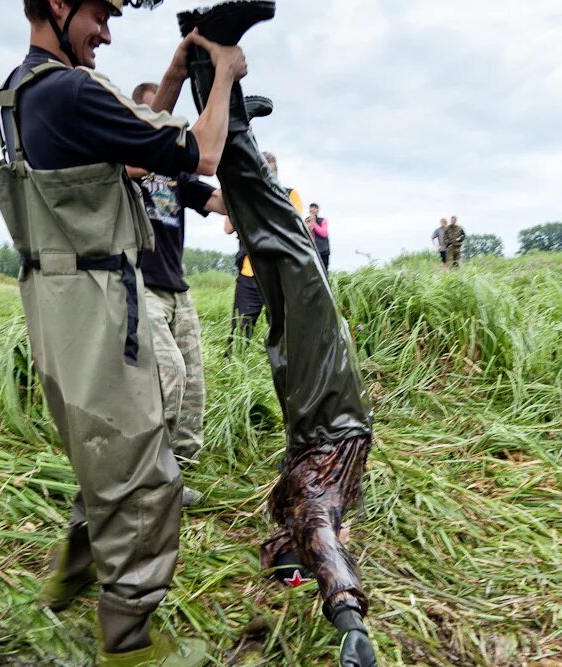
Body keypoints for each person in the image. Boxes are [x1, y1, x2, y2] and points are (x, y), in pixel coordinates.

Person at [0, 1, 246, 663]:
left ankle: (68, 580)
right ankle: (128, 639)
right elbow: (201, 152)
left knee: (100, 450)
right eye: (99, 13)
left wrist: (180, 61)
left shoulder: (18, 94)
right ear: (56, 5)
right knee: (145, 471)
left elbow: (135, 136)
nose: (107, 30)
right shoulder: (73, 90)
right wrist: (224, 74)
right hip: (100, 298)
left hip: (50, 298)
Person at [178, 3, 377, 664]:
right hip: (312, 397)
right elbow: (311, 538)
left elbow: (324, 541)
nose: (301, 539)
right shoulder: (297, 500)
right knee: (277, 245)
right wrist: (296, 567)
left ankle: (221, 83)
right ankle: (228, 109)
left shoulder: (311, 500)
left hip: (322, 403)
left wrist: (350, 621)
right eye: (286, 549)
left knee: (284, 246)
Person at [128, 81, 229, 506]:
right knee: (169, 374)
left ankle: (179, 469)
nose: (163, 127)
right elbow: (130, 163)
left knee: (194, 385)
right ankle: (147, 477)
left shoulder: (175, 172)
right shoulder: (125, 164)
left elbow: (218, 202)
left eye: (166, 120)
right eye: (154, 117)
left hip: (177, 288)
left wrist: (252, 178)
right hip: (139, 284)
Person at [224, 150, 302, 354]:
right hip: (249, 274)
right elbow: (228, 227)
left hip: (279, 274)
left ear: (276, 174)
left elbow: (294, 227)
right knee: (240, 331)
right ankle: (234, 371)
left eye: (269, 173)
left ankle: (284, 372)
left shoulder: (290, 194)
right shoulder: (244, 194)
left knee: (283, 330)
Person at [306, 202, 330, 272]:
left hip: (324, 251)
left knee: (324, 271)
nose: (312, 212)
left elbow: (324, 233)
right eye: (311, 210)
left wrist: (314, 224)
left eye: (314, 210)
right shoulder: (307, 220)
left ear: (317, 210)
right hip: (312, 251)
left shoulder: (323, 220)